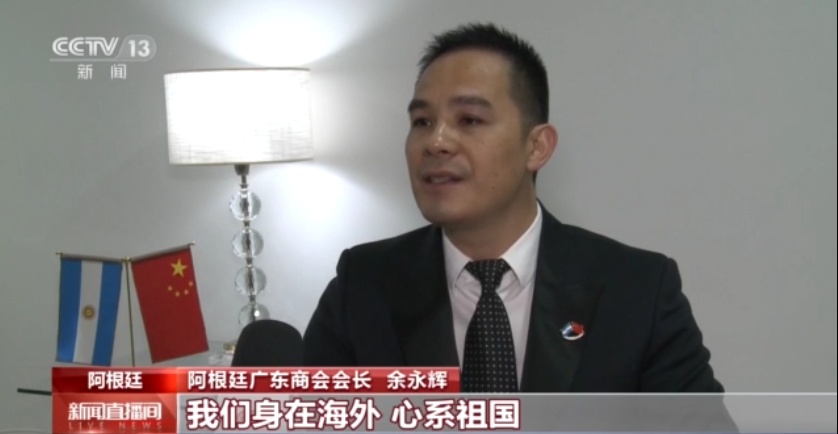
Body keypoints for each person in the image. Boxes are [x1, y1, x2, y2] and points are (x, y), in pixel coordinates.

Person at [303, 22, 725, 394]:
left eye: (469, 120)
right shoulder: (363, 287)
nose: (436, 142)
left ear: (537, 146)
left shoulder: (637, 291)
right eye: (422, 122)